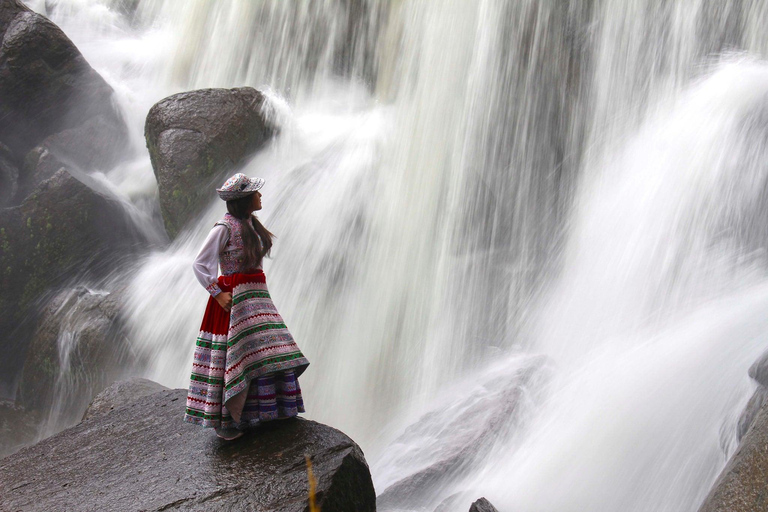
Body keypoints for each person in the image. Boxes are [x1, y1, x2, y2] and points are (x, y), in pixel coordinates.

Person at [184, 173, 310, 440]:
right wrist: (217, 293)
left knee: (267, 348)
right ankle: (225, 421)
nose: (260, 195)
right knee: (232, 355)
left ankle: (271, 409)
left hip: (255, 294)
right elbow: (200, 263)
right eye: (255, 192)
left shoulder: (250, 223)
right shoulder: (224, 227)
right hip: (232, 299)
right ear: (244, 199)